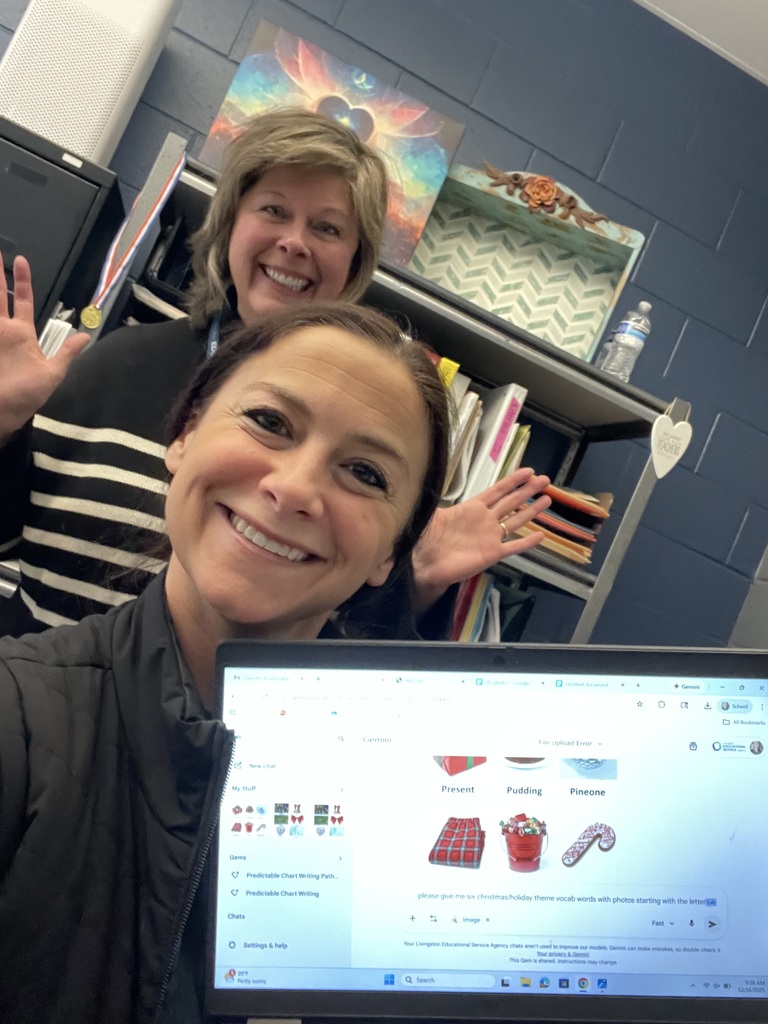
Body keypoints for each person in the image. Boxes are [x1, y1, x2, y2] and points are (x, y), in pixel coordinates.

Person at [0, 301, 451, 1024]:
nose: (294, 488)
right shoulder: (16, 714)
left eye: (364, 472)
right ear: (182, 435)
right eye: (270, 422)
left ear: (390, 553)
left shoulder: (415, 800)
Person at [0, 106, 549, 636]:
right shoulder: (120, 363)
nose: (294, 242)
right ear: (231, 223)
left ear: (356, 262)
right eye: (274, 211)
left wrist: (413, 576)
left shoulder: (368, 424)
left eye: (328, 229)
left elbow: (329, 644)